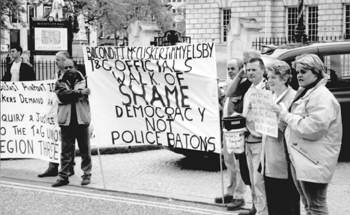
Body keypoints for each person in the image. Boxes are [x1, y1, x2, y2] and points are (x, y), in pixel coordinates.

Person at [272, 54, 342, 215]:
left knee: (316, 206)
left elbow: (313, 128)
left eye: (304, 71)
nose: (299, 75)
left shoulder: (322, 96)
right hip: (303, 158)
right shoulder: (307, 91)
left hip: (313, 160)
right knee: (309, 205)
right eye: (297, 72)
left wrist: (285, 115)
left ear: (317, 72)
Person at [262, 60, 300, 215]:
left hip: (285, 163)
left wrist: (274, 117)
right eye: (268, 77)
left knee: (288, 206)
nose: (269, 81)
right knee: (274, 205)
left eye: (273, 78)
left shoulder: (292, 98)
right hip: (269, 161)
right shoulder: (269, 96)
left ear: (284, 79)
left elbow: (289, 128)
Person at [52, 59, 92, 187]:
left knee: (85, 150)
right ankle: (63, 176)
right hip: (66, 121)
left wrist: (81, 93)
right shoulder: (59, 82)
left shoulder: (85, 81)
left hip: (81, 120)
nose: (69, 70)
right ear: (62, 69)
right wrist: (80, 93)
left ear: (75, 67)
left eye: (71, 67)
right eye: (66, 68)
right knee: (65, 151)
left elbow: (90, 94)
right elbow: (63, 95)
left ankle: (87, 174)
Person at [214, 58, 246, 211]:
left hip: (238, 133)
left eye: (233, 68)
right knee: (229, 163)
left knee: (239, 165)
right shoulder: (229, 86)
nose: (229, 71)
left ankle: (239, 196)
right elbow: (224, 105)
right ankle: (230, 191)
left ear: (240, 69)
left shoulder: (243, 86)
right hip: (227, 131)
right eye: (228, 68)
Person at [38, 51, 76, 178]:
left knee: (67, 141)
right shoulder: (57, 74)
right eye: (56, 59)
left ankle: (69, 167)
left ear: (66, 60)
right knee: (53, 137)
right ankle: (53, 166)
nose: (56, 62)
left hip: (67, 111)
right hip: (55, 111)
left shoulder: (72, 74)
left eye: (58, 59)